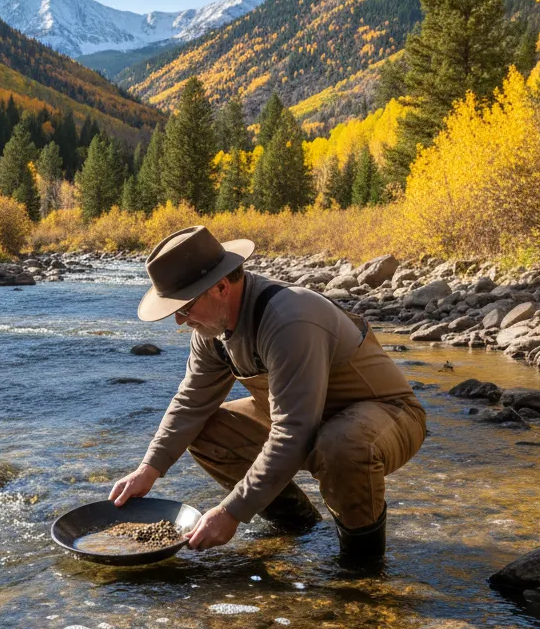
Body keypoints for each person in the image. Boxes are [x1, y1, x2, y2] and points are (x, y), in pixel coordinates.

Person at [108, 226, 426, 558]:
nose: (179, 320)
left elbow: (293, 430)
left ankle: (362, 566)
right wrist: (150, 467)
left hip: (386, 415)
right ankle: (301, 527)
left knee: (341, 447)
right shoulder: (210, 328)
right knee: (205, 432)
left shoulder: (289, 318)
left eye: (184, 308)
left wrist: (232, 511)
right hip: (299, 414)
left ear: (220, 287)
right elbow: (191, 402)